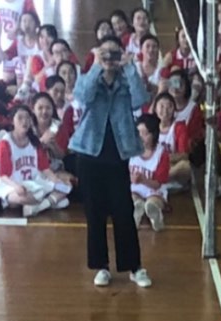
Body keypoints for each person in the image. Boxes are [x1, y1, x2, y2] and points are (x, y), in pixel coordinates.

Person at [68, 37, 151, 288]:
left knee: (123, 211)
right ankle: (101, 266)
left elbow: (140, 99)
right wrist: (96, 65)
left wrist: (128, 66)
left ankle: (134, 267)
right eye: (106, 53)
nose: (110, 59)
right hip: (89, 153)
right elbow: (82, 96)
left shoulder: (127, 80)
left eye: (115, 54)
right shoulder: (90, 76)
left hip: (118, 153)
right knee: (95, 213)